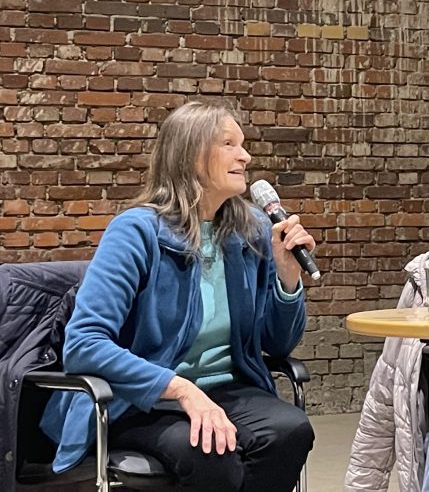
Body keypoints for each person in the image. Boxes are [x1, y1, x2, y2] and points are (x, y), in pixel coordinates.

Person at [39, 101, 317, 491]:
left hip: (228, 389)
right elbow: (84, 344)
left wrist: (287, 277)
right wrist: (182, 389)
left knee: (288, 431)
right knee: (209, 451)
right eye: (229, 144)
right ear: (191, 156)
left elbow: (278, 342)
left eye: (243, 144)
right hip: (142, 398)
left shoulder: (251, 228)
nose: (246, 155)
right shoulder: (136, 232)